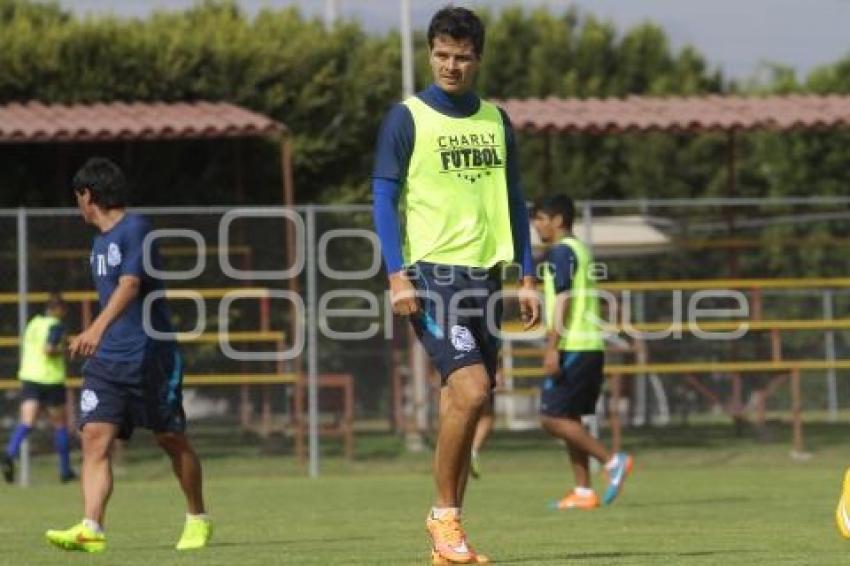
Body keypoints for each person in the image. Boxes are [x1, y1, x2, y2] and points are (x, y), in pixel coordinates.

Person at [372, 7, 539, 564]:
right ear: (430, 54)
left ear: (478, 59)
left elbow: (515, 201)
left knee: (463, 402)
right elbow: (382, 198)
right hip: (431, 275)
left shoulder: (497, 120)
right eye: (441, 54)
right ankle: (443, 518)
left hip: (485, 278)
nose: (451, 65)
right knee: (471, 391)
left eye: (462, 56)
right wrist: (396, 274)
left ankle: (450, 540)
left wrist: (529, 274)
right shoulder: (407, 118)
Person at [45, 157, 211, 553]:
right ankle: (91, 527)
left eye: (78, 197)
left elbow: (131, 284)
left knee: (171, 438)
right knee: (94, 438)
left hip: (151, 355)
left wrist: (94, 330)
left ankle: (197, 517)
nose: (77, 205)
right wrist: (99, 335)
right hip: (108, 361)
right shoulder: (98, 243)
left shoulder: (137, 228)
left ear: (89, 195)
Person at [531, 195, 632, 511]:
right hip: (588, 344)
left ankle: (611, 461)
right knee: (570, 418)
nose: (536, 224)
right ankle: (584, 491)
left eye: (541, 217)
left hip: (573, 345)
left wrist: (552, 347)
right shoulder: (579, 249)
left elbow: (564, 301)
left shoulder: (561, 252)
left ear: (558, 220)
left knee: (551, 417)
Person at [2, 292, 76, 484]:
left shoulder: (34, 324)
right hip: (50, 380)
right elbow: (49, 349)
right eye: (64, 310)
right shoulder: (56, 325)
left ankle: (10, 453)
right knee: (60, 425)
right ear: (58, 309)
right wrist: (66, 349)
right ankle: (65, 470)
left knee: (27, 422)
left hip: (30, 378)